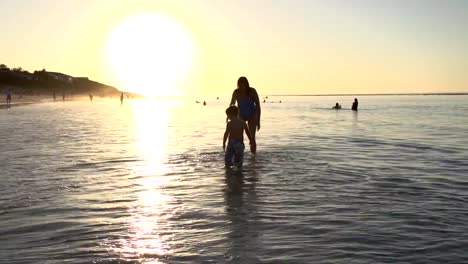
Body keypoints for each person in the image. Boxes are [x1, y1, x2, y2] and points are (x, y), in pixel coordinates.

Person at [229, 76, 261, 153]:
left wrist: (258, 121)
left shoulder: (252, 91)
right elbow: (232, 104)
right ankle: (238, 154)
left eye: (243, 85)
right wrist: (229, 116)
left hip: (252, 115)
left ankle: (253, 156)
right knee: (238, 136)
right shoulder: (236, 92)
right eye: (240, 85)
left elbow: (258, 105)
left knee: (252, 137)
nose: (242, 87)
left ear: (247, 84)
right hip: (241, 115)